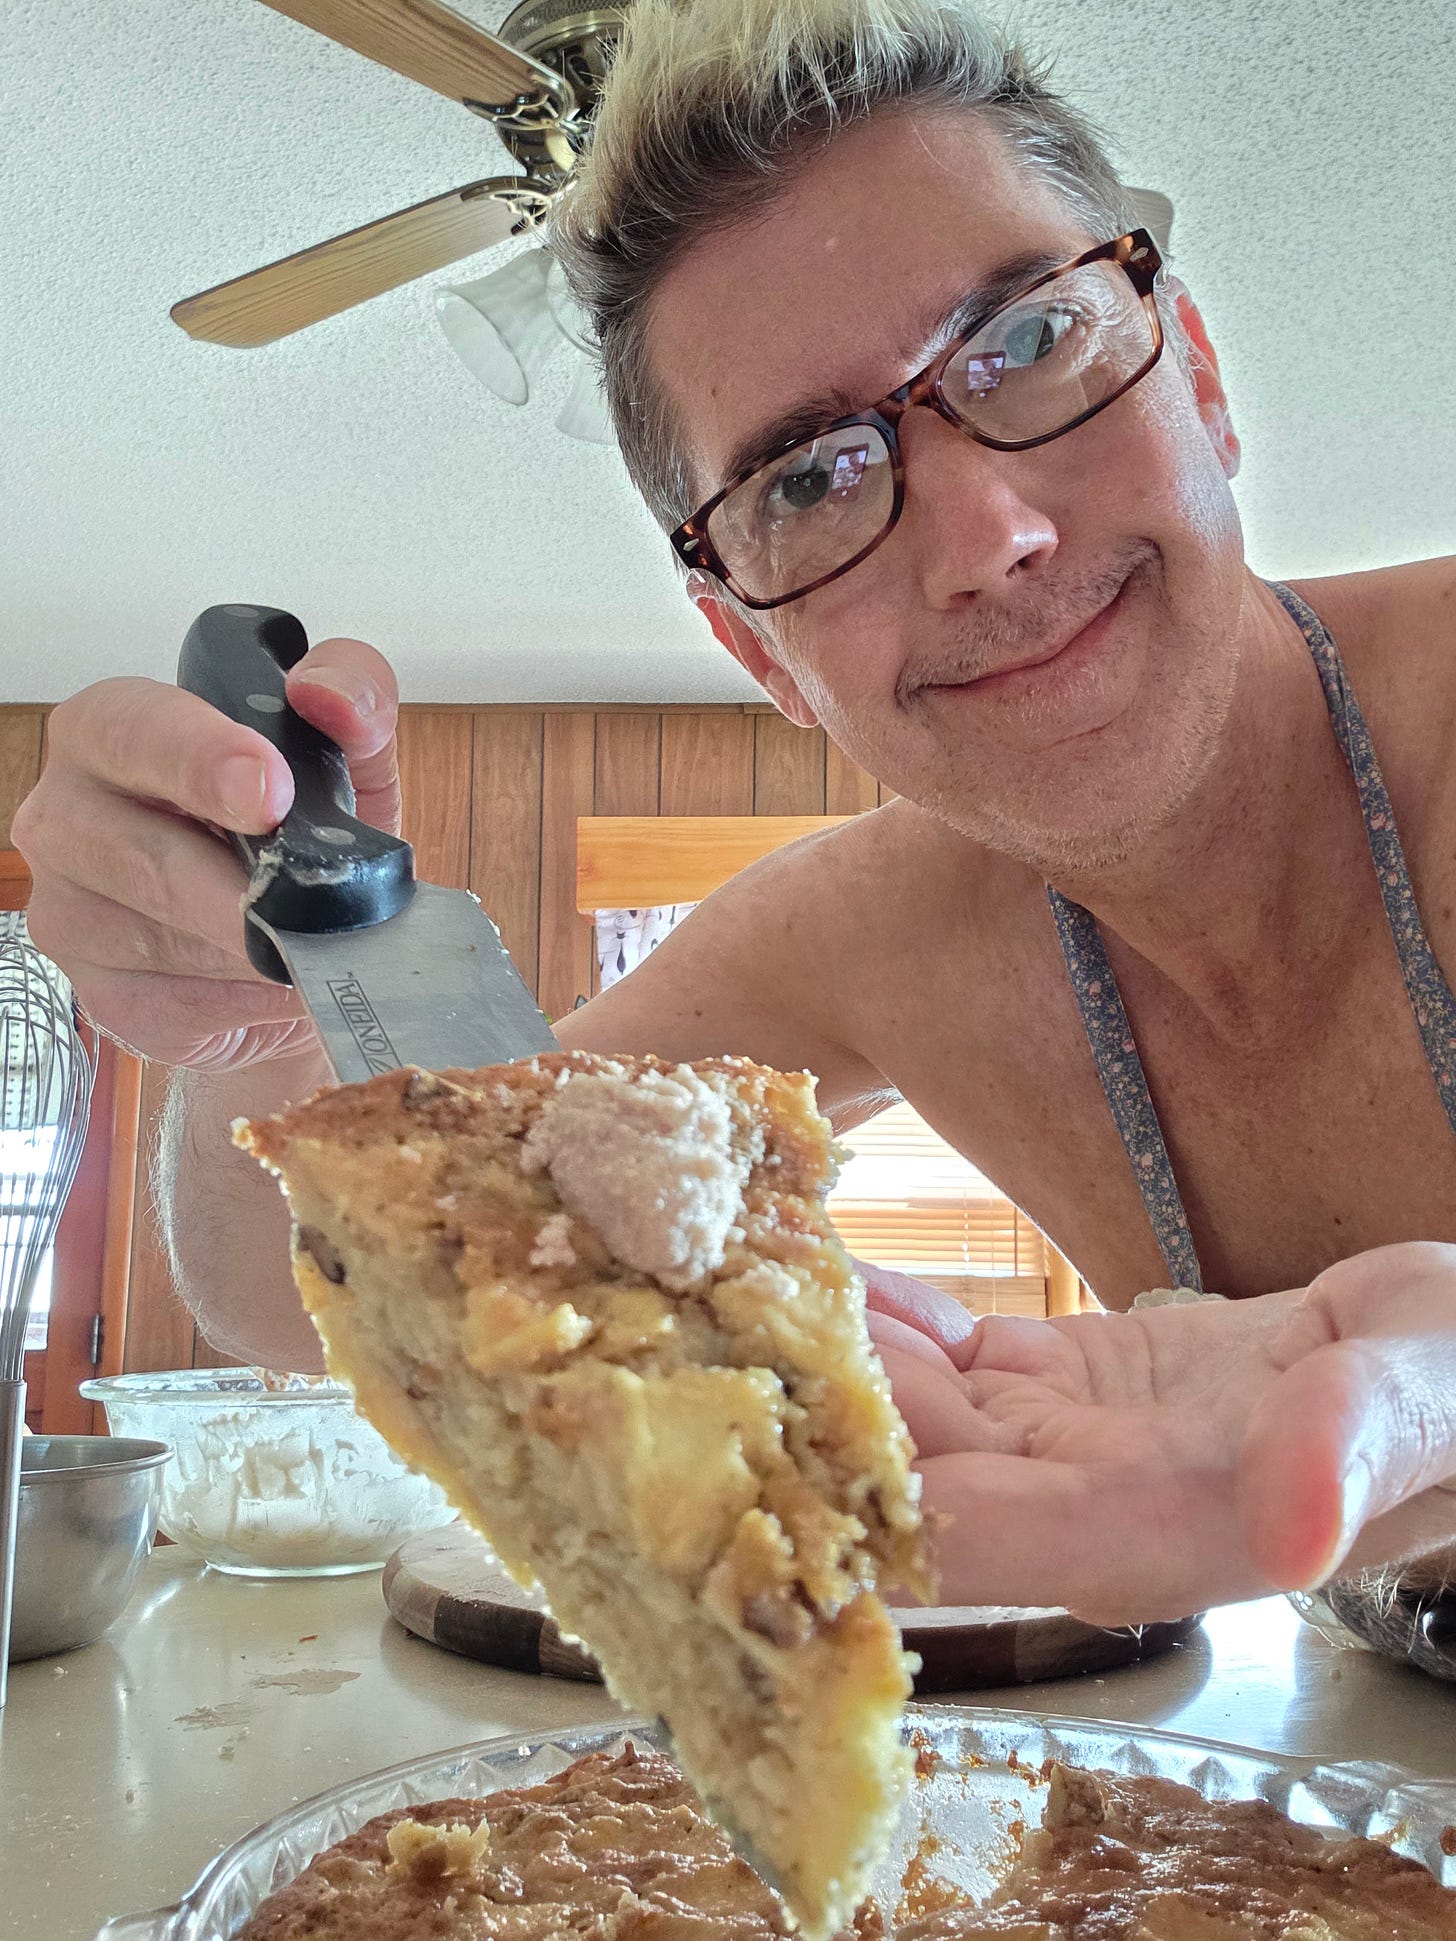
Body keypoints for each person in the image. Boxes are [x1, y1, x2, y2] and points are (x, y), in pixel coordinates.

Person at [14, 0, 1456, 1637]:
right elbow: (282, 1287)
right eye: (809, 481)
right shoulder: (872, 934)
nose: (986, 535)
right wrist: (263, 998)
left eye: (1029, 343)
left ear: (1192, 370)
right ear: (758, 650)